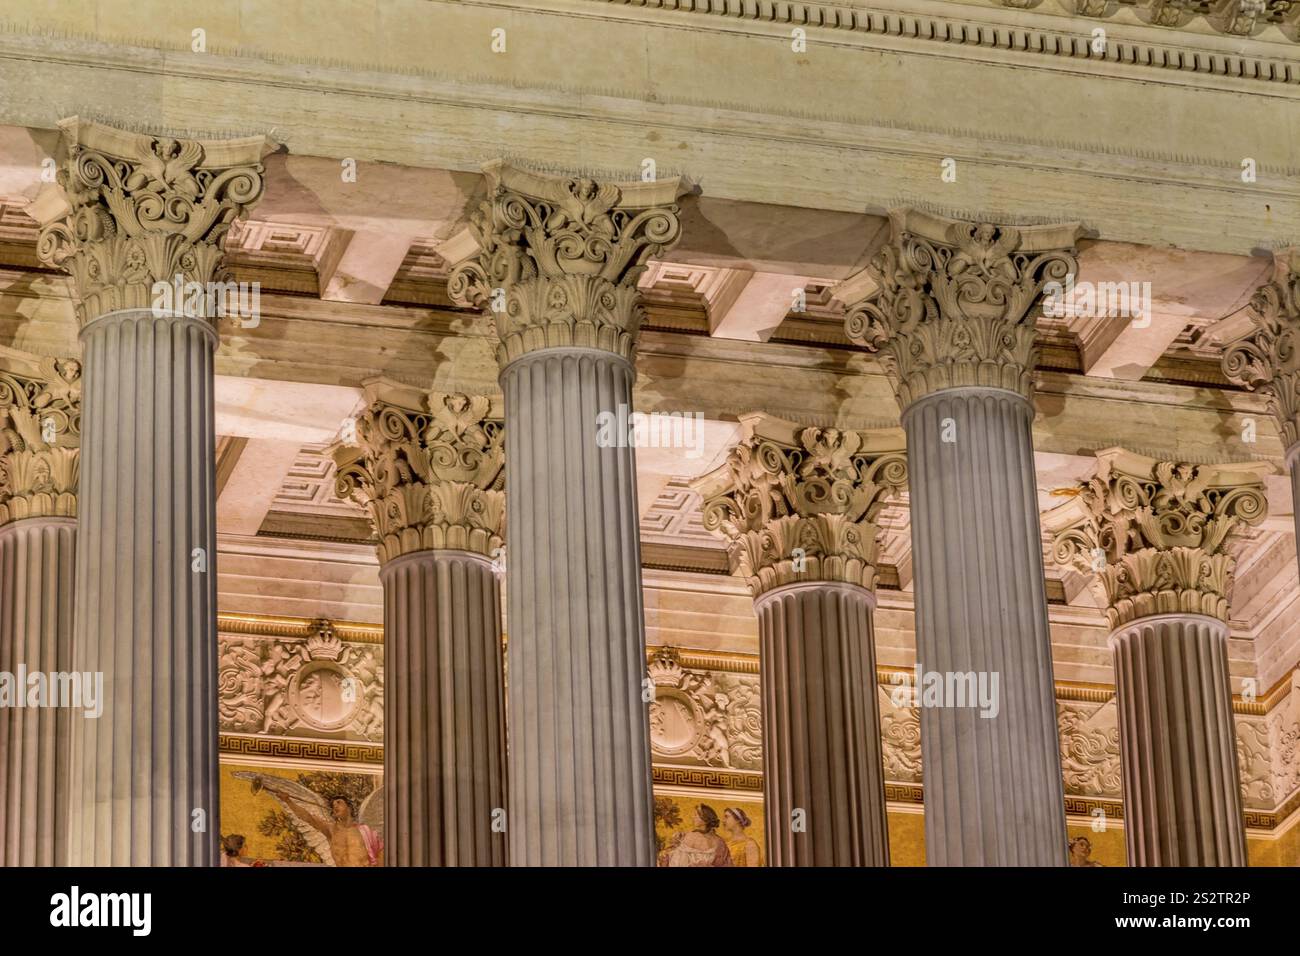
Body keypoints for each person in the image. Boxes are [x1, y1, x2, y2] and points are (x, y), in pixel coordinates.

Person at [279, 793, 383, 867]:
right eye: (333, 805)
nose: (335, 806)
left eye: (339, 803)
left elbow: (381, 853)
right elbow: (307, 817)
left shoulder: (365, 830)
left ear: (349, 807)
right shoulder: (331, 829)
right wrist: (288, 801)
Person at [658, 803, 732, 867]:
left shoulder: (690, 837)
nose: (693, 817)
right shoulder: (720, 841)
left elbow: (678, 863)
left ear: (705, 819)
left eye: (696, 815)